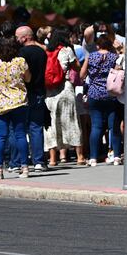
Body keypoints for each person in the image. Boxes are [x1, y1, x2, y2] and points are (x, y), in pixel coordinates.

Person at [0, 36, 31, 179]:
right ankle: (25, 168)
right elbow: (28, 78)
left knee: (0, 136)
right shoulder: (21, 61)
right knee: (20, 135)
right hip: (18, 102)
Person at [80, 33, 122, 167]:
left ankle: (93, 158)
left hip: (94, 94)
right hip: (111, 93)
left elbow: (82, 74)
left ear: (98, 45)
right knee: (113, 126)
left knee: (96, 127)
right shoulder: (114, 57)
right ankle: (116, 156)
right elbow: (119, 72)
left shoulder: (91, 56)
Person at [44, 30, 83, 166]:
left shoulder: (46, 52)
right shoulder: (66, 50)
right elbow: (77, 67)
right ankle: (80, 157)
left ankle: (53, 159)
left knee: (52, 124)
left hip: (50, 91)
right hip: (65, 88)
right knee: (72, 121)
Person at [17, 26, 48, 171]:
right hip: (39, 91)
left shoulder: (21, 53)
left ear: (25, 38)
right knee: (36, 127)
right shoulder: (41, 51)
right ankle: (39, 161)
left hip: (25, 92)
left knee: (20, 128)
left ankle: (19, 161)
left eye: (17, 37)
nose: (16, 40)